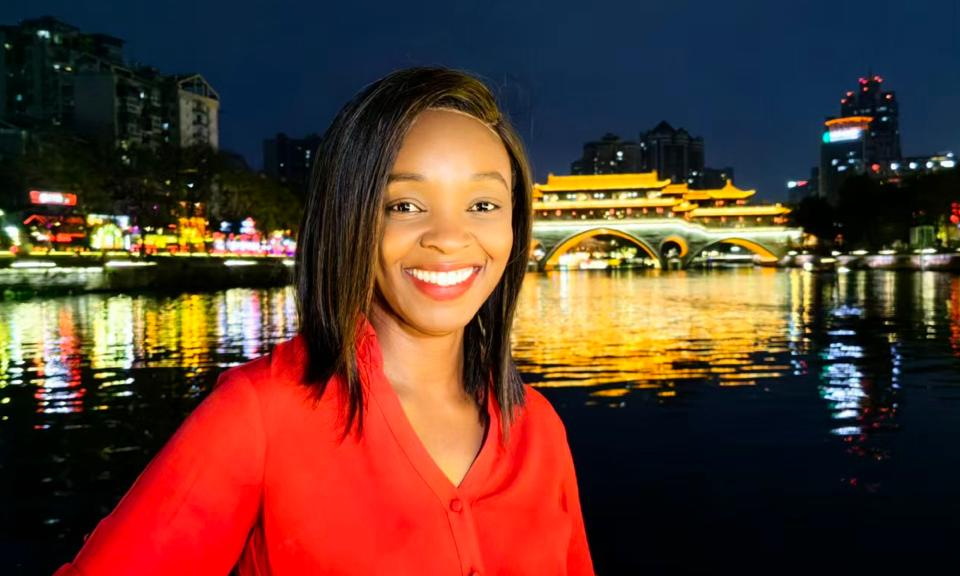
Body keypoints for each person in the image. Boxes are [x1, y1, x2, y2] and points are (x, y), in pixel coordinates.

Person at [52, 66, 595, 576]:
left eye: (483, 205)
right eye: (405, 205)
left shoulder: (538, 429)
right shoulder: (260, 415)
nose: (449, 238)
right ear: (348, 215)